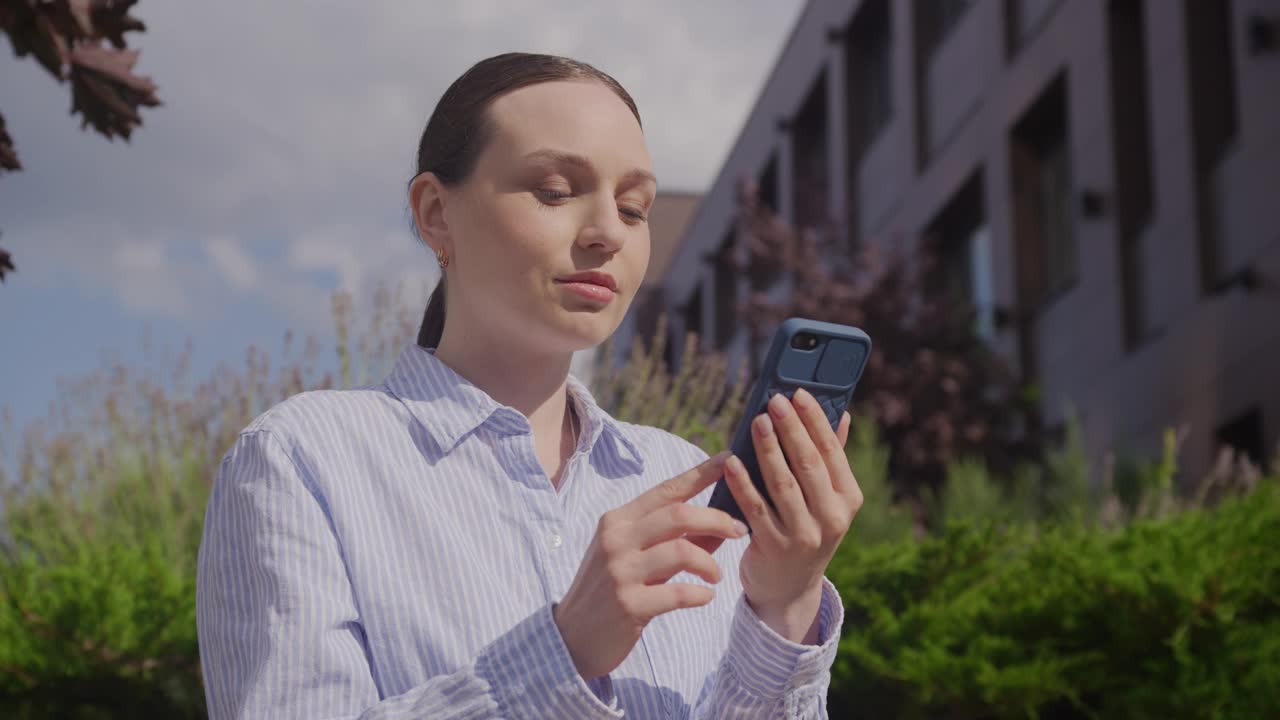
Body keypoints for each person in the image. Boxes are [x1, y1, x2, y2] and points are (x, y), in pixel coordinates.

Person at [196, 52, 864, 720]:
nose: (607, 232)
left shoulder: (687, 478)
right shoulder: (304, 461)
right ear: (435, 213)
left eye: (634, 209)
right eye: (554, 190)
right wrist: (561, 652)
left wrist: (784, 604)